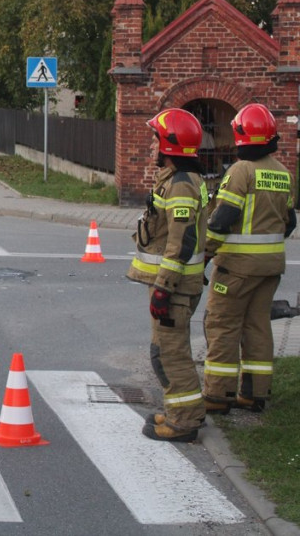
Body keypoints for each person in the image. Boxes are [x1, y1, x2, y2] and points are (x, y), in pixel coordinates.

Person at [203, 103, 295, 414]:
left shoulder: (240, 171)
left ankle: (218, 395)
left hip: (236, 268)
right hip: (271, 267)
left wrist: (204, 254)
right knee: (258, 326)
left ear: (241, 136)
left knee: (223, 325)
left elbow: (222, 218)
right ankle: (255, 394)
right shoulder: (283, 173)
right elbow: (290, 222)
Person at [127, 109, 208, 443]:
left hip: (173, 287)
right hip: (173, 284)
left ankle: (184, 422)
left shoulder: (181, 186)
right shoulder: (179, 179)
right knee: (165, 350)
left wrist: (163, 287)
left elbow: (182, 241)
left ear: (169, 144)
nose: (153, 145)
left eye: (156, 139)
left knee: (171, 354)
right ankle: (179, 413)